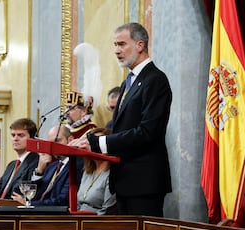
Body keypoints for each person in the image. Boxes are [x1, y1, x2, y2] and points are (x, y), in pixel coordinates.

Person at [71, 22, 172, 217]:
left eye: (122, 44)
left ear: (140, 45)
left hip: (144, 182)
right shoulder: (128, 82)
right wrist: (87, 141)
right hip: (125, 180)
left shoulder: (155, 80)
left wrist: (100, 142)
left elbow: (147, 132)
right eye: (115, 45)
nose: (117, 50)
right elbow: (120, 128)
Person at [12, 125, 82, 206]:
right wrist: (39, 171)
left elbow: (63, 200)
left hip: (57, 216)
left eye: (57, 141)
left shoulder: (77, 165)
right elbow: (34, 195)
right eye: (50, 143)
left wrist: (29, 203)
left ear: (70, 140)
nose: (53, 146)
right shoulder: (52, 166)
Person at [0, 118, 39, 199]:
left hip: (12, 208)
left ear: (32, 139)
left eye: (20, 135)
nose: (15, 139)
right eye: (13, 135)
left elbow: (23, 190)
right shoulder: (12, 164)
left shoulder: (35, 161)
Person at [77, 128, 117, 215]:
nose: (93, 145)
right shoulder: (87, 172)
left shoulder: (112, 174)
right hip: (79, 221)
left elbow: (107, 210)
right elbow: (78, 204)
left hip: (96, 224)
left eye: (97, 142)